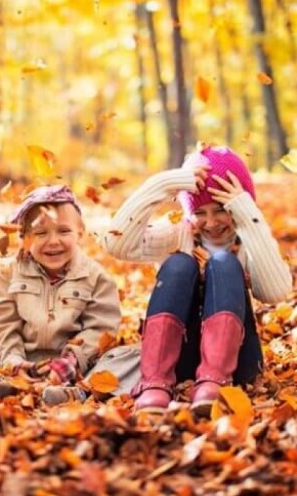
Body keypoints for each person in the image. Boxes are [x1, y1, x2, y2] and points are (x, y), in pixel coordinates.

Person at [104, 145, 292, 415]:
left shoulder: (250, 238)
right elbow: (115, 242)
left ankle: (215, 380)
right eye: (200, 212)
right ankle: (155, 383)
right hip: (180, 357)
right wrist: (166, 183)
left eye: (220, 209)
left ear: (238, 205)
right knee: (179, 262)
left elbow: (276, 291)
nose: (211, 222)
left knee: (224, 263)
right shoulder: (178, 234)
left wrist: (248, 215)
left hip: (239, 363)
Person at [0, 185, 140, 406]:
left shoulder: (96, 276)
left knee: (137, 357)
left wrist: (69, 364)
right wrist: (14, 363)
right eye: (41, 233)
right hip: (21, 362)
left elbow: (101, 329)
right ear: (24, 238)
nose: (53, 241)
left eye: (63, 231)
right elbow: (2, 327)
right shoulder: (8, 274)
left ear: (80, 232)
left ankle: (78, 393)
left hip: (78, 367)